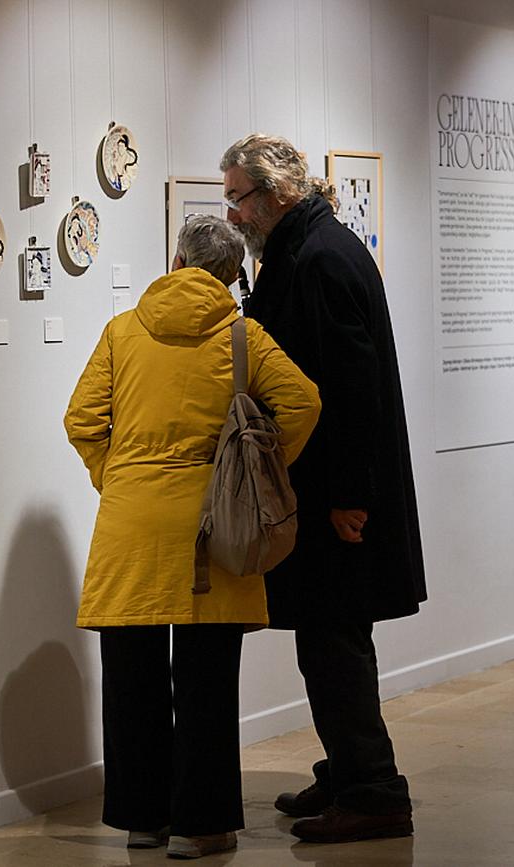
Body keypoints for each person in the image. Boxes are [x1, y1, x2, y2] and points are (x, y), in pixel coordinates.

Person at [63, 216, 321, 858]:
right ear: (234, 275)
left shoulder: (123, 331)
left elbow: (83, 419)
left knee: (132, 679)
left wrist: (115, 478)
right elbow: (305, 403)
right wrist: (258, 468)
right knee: (206, 682)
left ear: (176, 261)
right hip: (214, 528)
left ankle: (142, 819)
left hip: (131, 526)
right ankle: (199, 825)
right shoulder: (245, 336)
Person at [219, 133, 426, 844]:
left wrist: (349, 495)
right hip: (330, 484)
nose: (234, 214)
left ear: (276, 192)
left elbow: (349, 385)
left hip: (339, 494)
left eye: (238, 198)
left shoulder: (318, 258)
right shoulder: (311, 250)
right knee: (330, 637)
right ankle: (349, 769)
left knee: (334, 639)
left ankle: (374, 788)